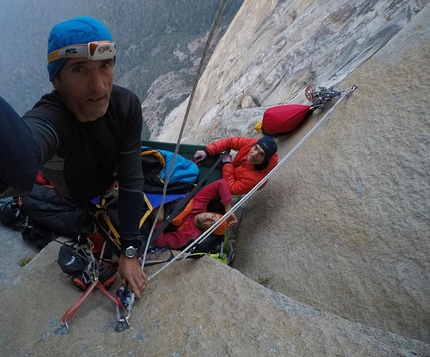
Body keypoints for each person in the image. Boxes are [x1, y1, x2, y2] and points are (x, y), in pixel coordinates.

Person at [0, 16, 148, 298]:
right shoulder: (50, 119)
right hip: (74, 199)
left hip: (107, 186)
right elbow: (24, 151)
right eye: (79, 69)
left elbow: (131, 178)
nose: (99, 87)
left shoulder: (125, 105)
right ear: (56, 79)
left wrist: (129, 252)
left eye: (105, 66)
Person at [150, 179, 237, 250]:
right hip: (163, 194)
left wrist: (158, 220)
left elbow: (160, 242)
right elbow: (221, 183)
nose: (208, 218)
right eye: (213, 216)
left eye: (212, 223)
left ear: (206, 229)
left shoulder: (189, 235)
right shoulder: (199, 205)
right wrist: (228, 210)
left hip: (154, 215)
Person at [194, 136, 278, 195]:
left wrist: (227, 164)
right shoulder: (253, 143)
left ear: (266, 159)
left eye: (261, 154)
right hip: (233, 169)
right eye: (255, 148)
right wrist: (207, 151)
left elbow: (231, 188)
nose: (253, 154)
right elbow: (230, 142)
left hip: (233, 179)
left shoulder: (256, 181)